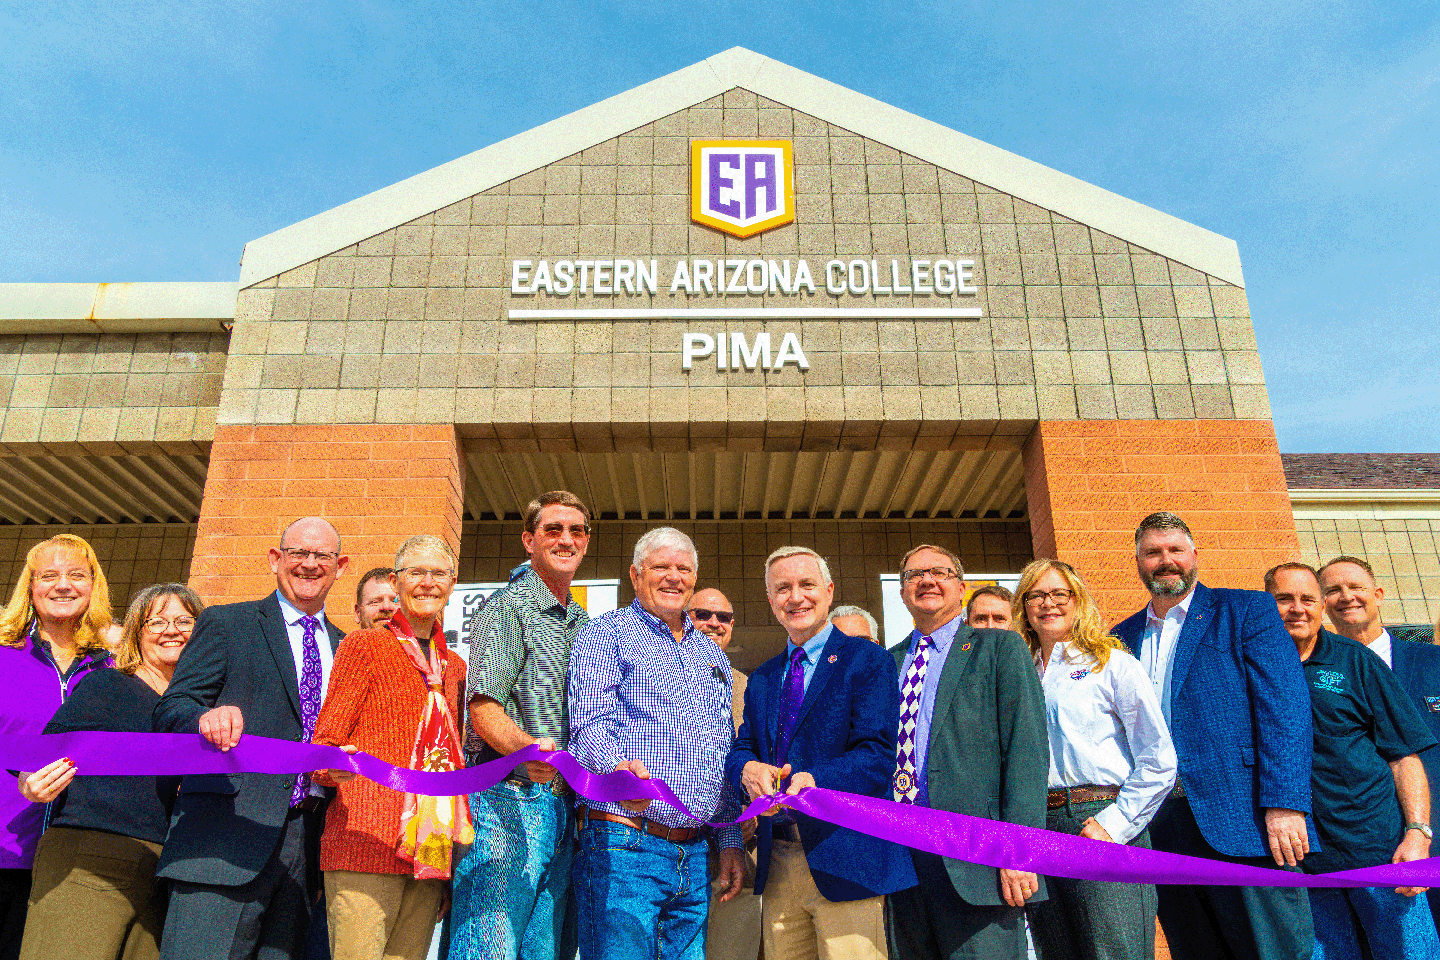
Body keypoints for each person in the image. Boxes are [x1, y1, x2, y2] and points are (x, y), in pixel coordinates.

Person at [1111, 511, 1315, 960]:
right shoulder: (1119, 638)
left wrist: (1286, 802)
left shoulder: (1244, 611)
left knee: (1273, 950)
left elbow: (1285, 708)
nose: (1166, 561)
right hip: (1162, 823)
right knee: (1195, 948)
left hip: (1246, 818)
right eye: (1153, 552)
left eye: (1175, 550)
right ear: (1139, 562)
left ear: (1194, 555)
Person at [152, 517, 350, 960]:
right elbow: (171, 708)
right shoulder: (227, 623)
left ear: (341, 566)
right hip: (224, 839)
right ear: (275, 559)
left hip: (307, 849)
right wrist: (206, 716)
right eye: (298, 552)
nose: (309, 564)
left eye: (322, 556)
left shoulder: (347, 648)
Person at [567, 527, 745, 960]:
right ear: (635, 574)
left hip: (696, 853)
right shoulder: (605, 634)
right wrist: (617, 769)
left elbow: (721, 751)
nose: (673, 577)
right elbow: (588, 727)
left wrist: (731, 841)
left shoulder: (711, 654)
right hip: (624, 844)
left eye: (683, 569)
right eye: (660, 566)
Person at [728, 547, 913, 960]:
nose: (796, 597)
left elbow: (878, 755)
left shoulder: (868, 661)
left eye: (806, 585)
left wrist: (815, 782)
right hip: (778, 863)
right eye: (783, 588)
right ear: (771, 601)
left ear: (828, 592)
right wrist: (748, 769)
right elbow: (741, 748)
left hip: (846, 858)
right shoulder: (763, 678)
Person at [18, 584, 202, 960]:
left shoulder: (206, 710)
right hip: (90, 858)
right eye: (157, 621)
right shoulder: (108, 686)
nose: (171, 630)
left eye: (185, 620)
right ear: (137, 631)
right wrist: (32, 785)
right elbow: (41, 757)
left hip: (167, 874)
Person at [1267, 562, 1440, 960]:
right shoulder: (1255, 665)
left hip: (1378, 852)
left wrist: (1416, 835)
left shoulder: (1355, 661)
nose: (1297, 608)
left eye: (1307, 599)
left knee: (1412, 954)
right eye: (1284, 599)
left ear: (1319, 607)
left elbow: (1404, 756)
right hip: (1301, 862)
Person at [887, 544, 1048, 960]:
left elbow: (1026, 752)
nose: (927, 580)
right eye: (914, 575)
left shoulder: (999, 650)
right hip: (903, 859)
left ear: (961, 587)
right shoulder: (886, 663)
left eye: (939, 572)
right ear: (903, 593)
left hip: (980, 859)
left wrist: (1019, 849)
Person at [310, 535, 467, 960]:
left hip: (428, 846)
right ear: (396, 583)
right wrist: (333, 768)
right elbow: (324, 743)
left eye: (438, 573)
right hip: (365, 837)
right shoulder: (365, 645)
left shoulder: (453, 667)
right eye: (416, 572)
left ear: (453, 584)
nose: (427, 583)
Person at [451, 491, 592, 960]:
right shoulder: (506, 607)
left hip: (563, 808)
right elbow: (484, 707)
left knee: (543, 952)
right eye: (553, 529)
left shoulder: (582, 621)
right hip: (507, 800)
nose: (566, 539)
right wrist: (526, 749)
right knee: (489, 948)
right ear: (529, 541)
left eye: (577, 530)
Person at [1011, 560, 1175, 960]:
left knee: (1115, 952)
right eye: (1036, 595)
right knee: (1057, 951)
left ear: (1077, 600)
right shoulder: (1019, 672)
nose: (1048, 603)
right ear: (1025, 606)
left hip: (1099, 818)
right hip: (1040, 826)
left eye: (1059, 594)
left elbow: (1159, 759)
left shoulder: (1112, 663)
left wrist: (1113, 824)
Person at [0, 534, 114, 960]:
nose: (63, 585)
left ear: (94, 587)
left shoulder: (114, 666)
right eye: (49, 575)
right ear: (30, 588)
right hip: (6, 850)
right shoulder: (3, 656)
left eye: (76, 575)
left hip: (81, 860)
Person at [1319, 554, 1440, 927]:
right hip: (1377, 840)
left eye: (1355, 587)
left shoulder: (1432, 661)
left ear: (1379, 594)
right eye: (1333, 590)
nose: (1347, 596)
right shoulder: (1316, 676)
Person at [689, 587, 762, 960]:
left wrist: (756, 820)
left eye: (724, 617)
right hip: (672, 846)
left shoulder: (750, 688)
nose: (714, 623)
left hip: (737, 855)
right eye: (702, 614)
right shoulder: (658, 678)